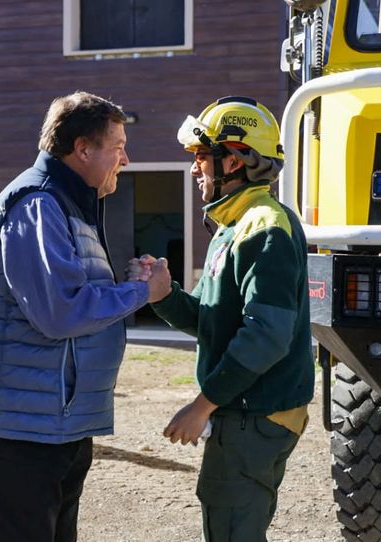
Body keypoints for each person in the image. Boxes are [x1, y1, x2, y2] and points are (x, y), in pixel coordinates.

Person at [0, 91, 167, 542]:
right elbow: (61, 312)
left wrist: (129, 284)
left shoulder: (67, 205)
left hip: (52, 426)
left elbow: (71, 296)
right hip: (19, 434)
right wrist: (141, 292)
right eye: (118, 147)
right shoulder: (37, 205)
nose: (125, 160)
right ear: (82, 149)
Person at [129, 96, 315, 541]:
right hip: (246, 411)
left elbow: (266, 336)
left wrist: (201, 406)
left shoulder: (265, 227)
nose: (195, 167)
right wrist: (164, 294)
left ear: (233, 160)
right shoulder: (232, 226)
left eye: (201, 156)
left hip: (257, 414)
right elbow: (211, 319)